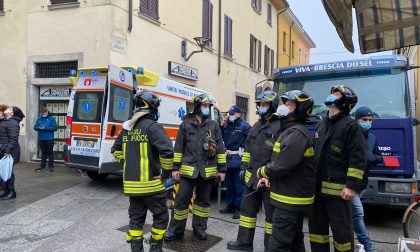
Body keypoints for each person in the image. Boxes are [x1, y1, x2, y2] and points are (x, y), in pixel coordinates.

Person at [111, 90, 174, 252]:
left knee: (136, 219)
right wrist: (165, 175)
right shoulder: (153, 127)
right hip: (152, 185)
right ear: (152, 107)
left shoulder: (127, 127)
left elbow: (115, 150)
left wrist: (128, 162)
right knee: (161, 216)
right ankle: (155, 247)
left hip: (132, 186)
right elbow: (167, 153)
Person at [309, 85, 366, 252]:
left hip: (339, 194)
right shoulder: (322, 124)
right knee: (317, 232)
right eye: (332, 93)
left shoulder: (351, 126)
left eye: (337, 94)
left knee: (342, 235)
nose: (332, 96)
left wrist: (351, 186)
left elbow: (358, 159)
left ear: (345, 102)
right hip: (317, 192)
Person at [256, 90, 316, 251]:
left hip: (289, 201)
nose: (283, 107)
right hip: (290, 198)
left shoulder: (296, 133)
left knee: (278, 245)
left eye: (289, 104)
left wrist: (263, 172)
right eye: (284, 103)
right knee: (295, 242)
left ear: (301, 109)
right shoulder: (290, 130)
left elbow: (283, 165)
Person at [164, 94, 226, 242]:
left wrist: (222, 170)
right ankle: (175, 230)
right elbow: (178, 148)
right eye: (205, 106)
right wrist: (175, 169)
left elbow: (221, 149)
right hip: (187, 171)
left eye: (209, 107)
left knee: (203, 203)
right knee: (180, 201)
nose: (207, 109)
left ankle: (199, 229)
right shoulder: (185, 124)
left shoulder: (213, 125)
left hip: (207, 171)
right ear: (197, 107)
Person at [227, 91, 282, 252]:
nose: (261, 108)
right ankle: (244, 242)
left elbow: (279, 156)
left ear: (272, 106)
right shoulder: (256, 126)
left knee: (271, 216)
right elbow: (248, 150)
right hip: (251, 177)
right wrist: (244, 167)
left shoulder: (279, 126)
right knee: (246, 211)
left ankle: (270, 247)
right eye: (260, 105)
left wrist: (271, 174)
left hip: (268, 179)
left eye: (264, 105)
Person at [352, 107, 380, 252]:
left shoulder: (372, 137)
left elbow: (378, 156)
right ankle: (369, 247)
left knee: (350, 215)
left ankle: (346, 240)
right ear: (356, 120)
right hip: (350, 183)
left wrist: (370, 158)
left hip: (363, 182)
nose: (368, 123)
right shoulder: (350, 136)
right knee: (357, 213)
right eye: (364, 120)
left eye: (370, 120)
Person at [220, 105, 251, 219]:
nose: (230, 116)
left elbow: (251, 141)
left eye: (233, 114)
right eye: (229, 114)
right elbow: (219, 137)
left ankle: (239, 208)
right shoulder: (227, 125)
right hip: (228, 160)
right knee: (229, 185)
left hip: (239, 159)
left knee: (239, 186)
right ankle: (230, 205)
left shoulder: (245, 127)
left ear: (239, 114)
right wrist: (222, 125)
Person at [0, 105, 20, 200]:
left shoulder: (13, 122)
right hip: (3, 149)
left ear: (12, 113)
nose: (7, 109)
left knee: (9, 171)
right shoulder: (5, 120)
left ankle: (12, 192)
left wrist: (8, 151)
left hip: (10, 151)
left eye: (10, 109)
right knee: (4, 170)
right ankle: (7, 190)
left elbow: (13, 139)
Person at [34, 107, 58, 172]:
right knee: (43, 153)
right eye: (42, 113)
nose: (43, 114)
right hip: (41, 138)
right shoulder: (39, 119)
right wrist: (38, 127)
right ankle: (42, 166)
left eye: (44, 113)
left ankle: (51, 166)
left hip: (49, 139)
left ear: (47, 112)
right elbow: (35, 127)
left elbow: (55, 128)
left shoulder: (51, 119)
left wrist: (45, 128)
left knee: (50, 153)